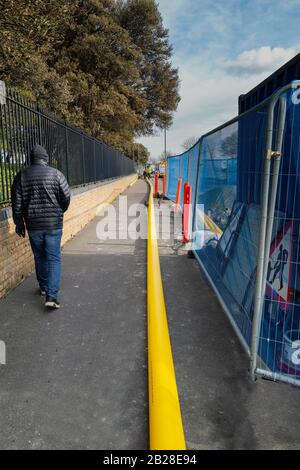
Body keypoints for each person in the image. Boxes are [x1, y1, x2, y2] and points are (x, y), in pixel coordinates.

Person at [11, 144, 70, 310]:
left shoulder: (21, 176)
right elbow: (66, 197)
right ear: (45, 158)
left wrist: (19, 223)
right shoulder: (56, 174)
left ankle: (44, 287)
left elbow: (17, 204)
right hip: (54, 224)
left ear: (31, 159)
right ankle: (52, 296)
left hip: (33, 224)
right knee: (53, 257)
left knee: (39, 256)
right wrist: (59, 211)